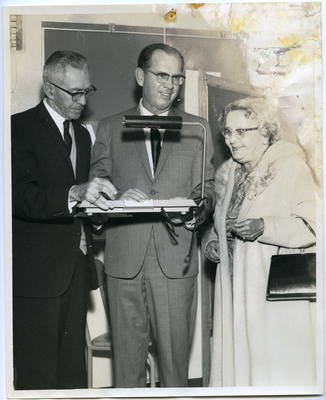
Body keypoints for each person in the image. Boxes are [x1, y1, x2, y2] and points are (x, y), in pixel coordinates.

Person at [90, 43, 215, 387]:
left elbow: (207, 189)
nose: (169, 85)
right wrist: (114, 196)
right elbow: (96, 185)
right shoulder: (111, 127)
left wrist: (196, 215)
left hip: (176, 263)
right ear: (140, 76)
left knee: (176, 370)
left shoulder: (197, 129)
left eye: (177, 78)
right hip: (123, 263)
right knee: (127, 372)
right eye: (162, 75)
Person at [12, 50, 116, 390]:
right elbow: (19, 197)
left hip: (76, 268)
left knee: (73, 372)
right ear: (49, 89)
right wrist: (75, 193)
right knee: (38, 375)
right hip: (37, 276)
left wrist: (99, 213)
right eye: (75, 93)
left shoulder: (82, 136)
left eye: (88, 91)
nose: (83, 101)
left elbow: (81, 200)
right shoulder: (17, 129)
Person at [204, 97, 316, 387]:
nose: (231, 140)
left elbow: (313, 225)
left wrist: (265, 226)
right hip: (233, 285)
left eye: (242, 131)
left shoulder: (291, 167)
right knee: (240, 363)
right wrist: (214, 242)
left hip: (271, 290)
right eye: (228, 132)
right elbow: (221, 222)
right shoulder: (229, 174)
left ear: (265, 132)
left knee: (271, 368)